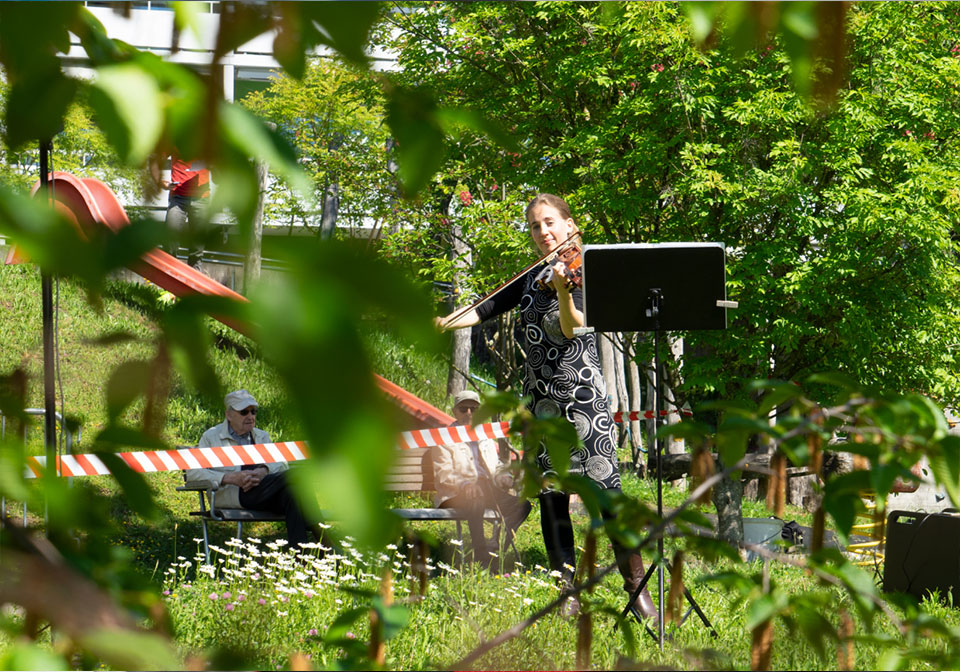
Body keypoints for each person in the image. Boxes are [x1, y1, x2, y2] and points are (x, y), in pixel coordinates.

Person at [436, 193, 658, 622]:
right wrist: (447, 319)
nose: (544, 233)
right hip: (542, 407)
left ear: (571, 226)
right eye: (536, 226)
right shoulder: (530, 278)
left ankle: (637, 591)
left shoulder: (587, 274)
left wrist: (562, 289)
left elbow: (574, 327)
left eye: (551, 223)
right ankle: (567, 592)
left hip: (585, 405)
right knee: (553, 500)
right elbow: (485, 308)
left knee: (606, 498)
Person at [186, 389, 316, 548]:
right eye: (244, 412)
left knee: (293, 493)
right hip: (233, 494)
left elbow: (281, 463)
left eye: (253, 412)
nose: (250, 416)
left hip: (263, 492)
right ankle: (324, 540)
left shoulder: (261, 436)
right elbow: (192, 473)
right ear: (229, 415)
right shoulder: (211, 437)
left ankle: (300, 556)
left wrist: (262, 471)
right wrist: (231, 478)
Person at [433, 390, 532, 569]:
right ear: (454, 411)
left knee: (523, 505)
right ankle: (481, 558)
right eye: (464, 409)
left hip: (487, 490)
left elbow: (496, 466)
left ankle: (496, 549)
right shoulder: (444, 437)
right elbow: (443, 474)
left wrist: (503, 477)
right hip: (454, 494)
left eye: (474, 409)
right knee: (474, 497)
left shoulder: (484, 436)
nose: (469, 413)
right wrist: (466, 484)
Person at [151, 152, 211, 270]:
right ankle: (170, 273)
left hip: (201, 198)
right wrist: (160, 182)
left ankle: (195, 279)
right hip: (178, 197)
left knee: (197, 245)